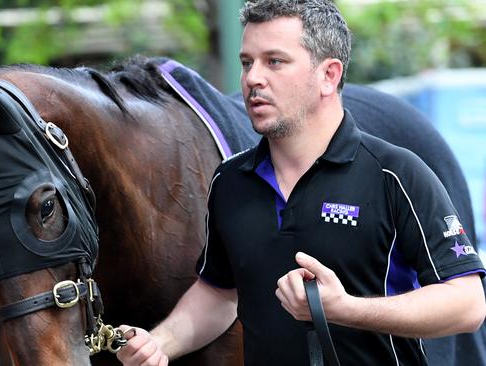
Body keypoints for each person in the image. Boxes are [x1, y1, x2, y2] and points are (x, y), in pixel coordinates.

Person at [116, 1, 486, 365]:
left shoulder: (395, 173)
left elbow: (467, 304)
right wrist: (159, 343)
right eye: (248, 63)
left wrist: (346, 309)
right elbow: (219, 294)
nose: (253, 78)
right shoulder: (229, 181)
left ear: (329, 75)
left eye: (274, 61)